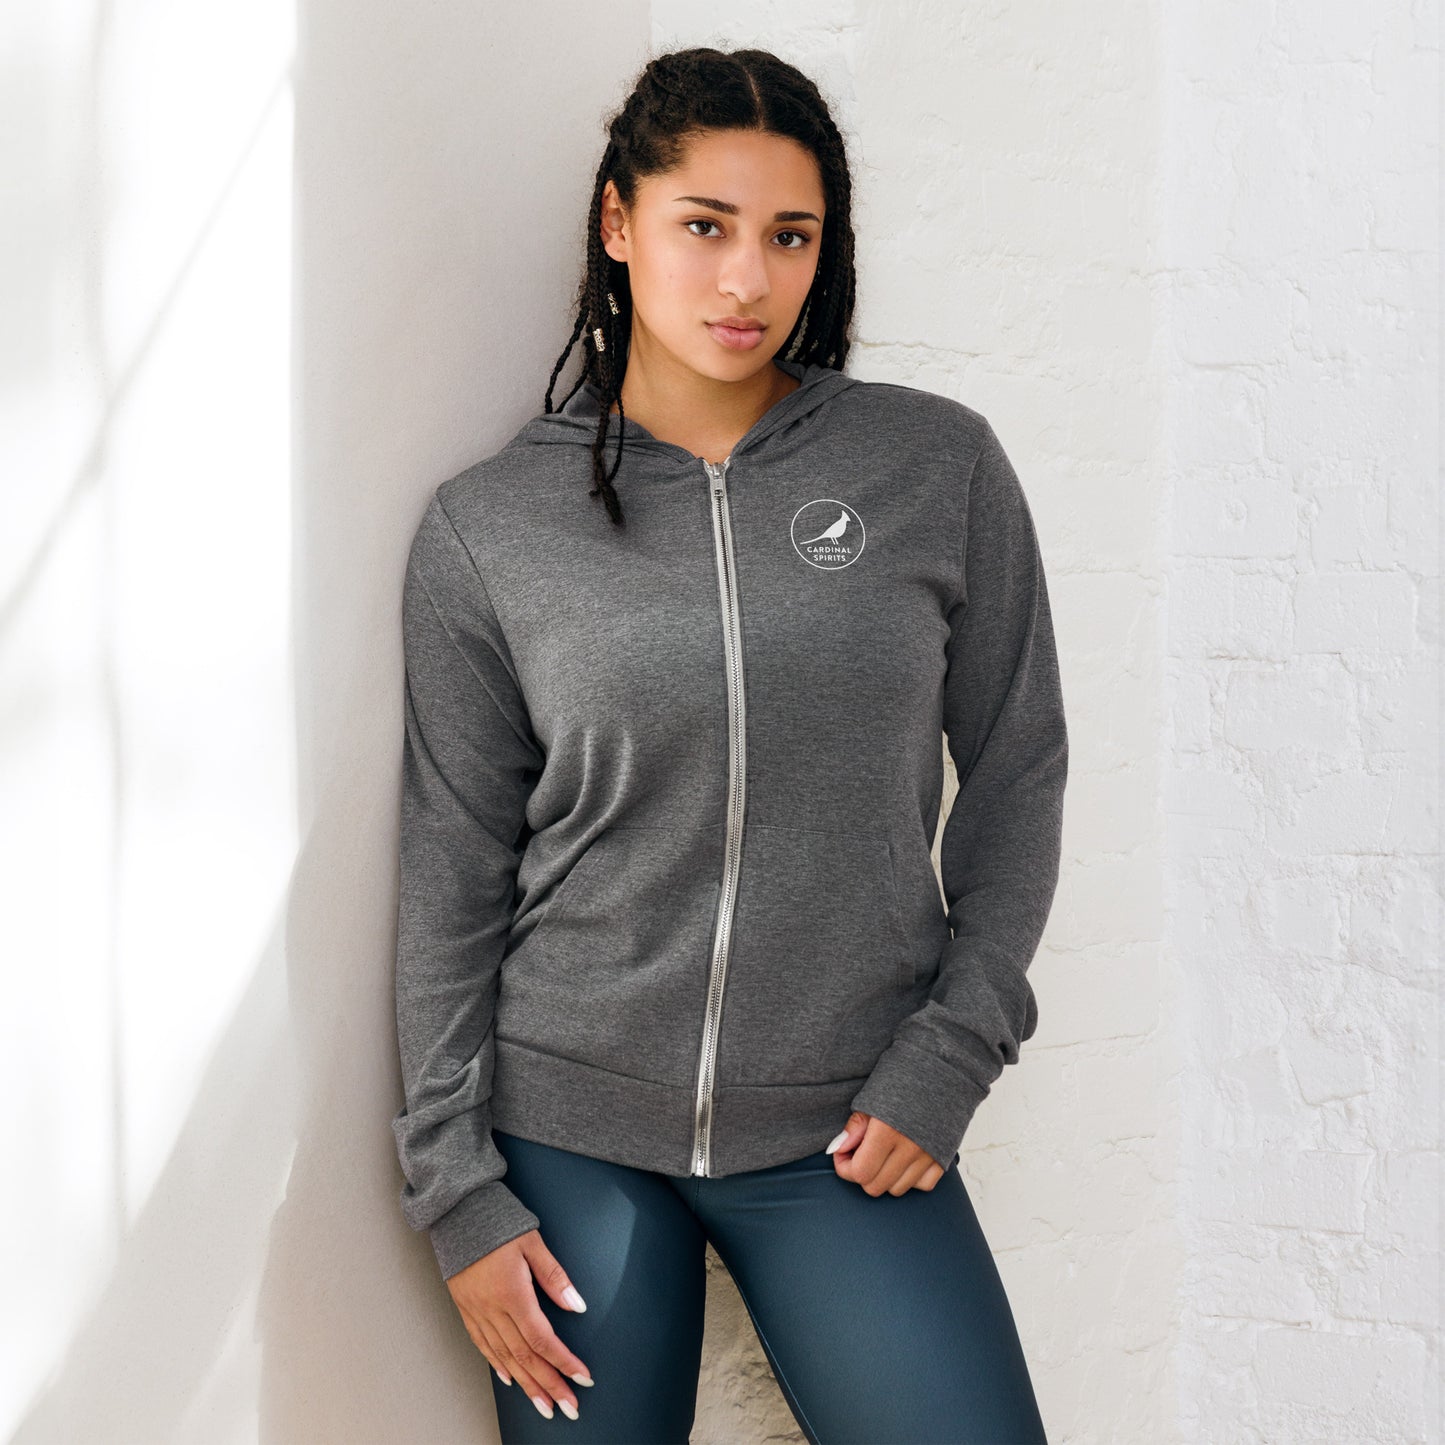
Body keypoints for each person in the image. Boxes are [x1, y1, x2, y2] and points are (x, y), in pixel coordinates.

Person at [391, 44, 1068, 1445]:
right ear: (619, 222)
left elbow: (1018, 769)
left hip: (845, 1125)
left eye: (789, 236)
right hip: (567, 1132)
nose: (746, 279)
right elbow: (454, 868)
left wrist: (954, 1048)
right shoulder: (489, 528)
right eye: (704, 225)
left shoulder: (932, 467)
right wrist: (457, 1191)